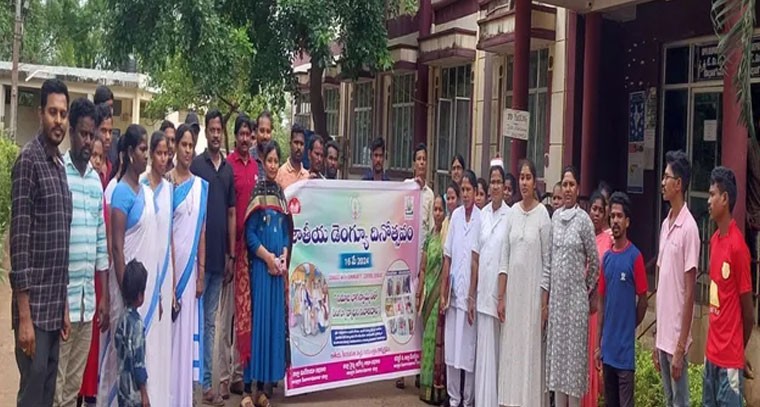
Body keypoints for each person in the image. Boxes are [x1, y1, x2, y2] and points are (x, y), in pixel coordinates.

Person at [10, 78, 72, 407]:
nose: (58, 120)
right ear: (40, 114)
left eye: (63, 113)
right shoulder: (28, 162)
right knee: (32, 398)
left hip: (53, 309)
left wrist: (63, 307)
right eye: (52, 112)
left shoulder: (59, 165)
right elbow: (19, 243)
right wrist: (24, 318)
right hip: (33, 314)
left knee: (46, 399)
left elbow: (60, 241)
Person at [54, 98, 108, 407]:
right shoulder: (59, 174)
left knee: (73, 387)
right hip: (63, 304)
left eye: (92, 135)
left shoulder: (95, 182)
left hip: (88, 304)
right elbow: (55, 244)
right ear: (71, 131)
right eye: (83, 134)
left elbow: (101, 242)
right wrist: (61, 300)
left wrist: (103, 298)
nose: (88, 141)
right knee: (56, 387)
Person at [98, 124, 157, 407]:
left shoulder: (143, 190)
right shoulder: (121, 192)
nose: (146, 155)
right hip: (126, 287)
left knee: (137, 354)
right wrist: (126, 291)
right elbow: (117, 246)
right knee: (118, 357)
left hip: (138, 287)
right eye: (143, 149)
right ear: (130, 153)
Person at [241, 141, 293, 407]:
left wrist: (283, 255)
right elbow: (249, 235)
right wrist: (268, 258)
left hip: (276, 273)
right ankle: (247, 390)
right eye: (269, 161)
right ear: (263, 162)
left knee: (272, 326)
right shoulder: (257, 194)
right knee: (257, 327)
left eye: (276, 161)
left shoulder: (281, 196)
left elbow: (285, 232)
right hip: (261, 272)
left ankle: (262, 389)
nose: (272, 165)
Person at [190, 108, 236, 405]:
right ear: (206, 132)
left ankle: (207, 385)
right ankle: (188, 384)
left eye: (220, 130)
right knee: (191, 322)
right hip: (197, 261)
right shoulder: (196, 166)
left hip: (220, 260)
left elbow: (231, 213)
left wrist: (232, 254)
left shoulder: (228, 170)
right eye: (212, 129)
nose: (216, 134)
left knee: (210, 323)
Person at [497, 159, 552, 407]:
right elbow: (504, 258)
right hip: (513, 296)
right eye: (521, 177)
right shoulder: (512, 214)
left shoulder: (543, 216)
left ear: (535, 181)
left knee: (529, 351)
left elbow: (547, 263)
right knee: (512, 349)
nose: (524, 182)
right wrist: (501, 297)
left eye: (528, 177)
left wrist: (543, 304)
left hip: (532, 297)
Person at [546, 165, 600, 407]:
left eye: (571, 185)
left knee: (574, 370)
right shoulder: (555, 219)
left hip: (576, 307)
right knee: (558, 370)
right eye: (564, 184)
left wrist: (583, 289)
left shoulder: (584, 221)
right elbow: (549, 259)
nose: (567, 189)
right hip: (557, 306)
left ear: (578, 189)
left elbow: (595, 262)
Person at [702, 167, 754, 407]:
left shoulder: (738, 247)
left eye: (712, 194)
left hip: (730, 362)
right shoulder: (714, 241)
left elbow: (748, 314)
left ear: (725, 198)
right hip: (710, 355)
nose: (708, 200)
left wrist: (737, 351)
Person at [654, 150, 699, 407]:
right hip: (663, 337)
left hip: (676, 340)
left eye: (667, 177)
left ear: (678, 184)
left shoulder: (689, 228)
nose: (663, 183)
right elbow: (663, 283)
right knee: (669, 400)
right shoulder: (665, 224)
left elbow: (690, 292)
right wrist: (657, 336)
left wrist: (681, 345)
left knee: (680, 402)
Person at [595, 192, 648, 407]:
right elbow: (601, 302)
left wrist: (630, 323)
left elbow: (643, 301)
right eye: (613, 216)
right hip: (607, 351)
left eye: (619, 216)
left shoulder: (635, 257)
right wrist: (599, 344)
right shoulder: (606, 258)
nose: (615, 220)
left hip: (624, 355)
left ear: (627, 221)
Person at [169, 124, 208, 407]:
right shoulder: (164, 184)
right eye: (183, 144)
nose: (187, 150)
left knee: (185, 337)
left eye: (190, 145)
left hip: (190, 272)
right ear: (175, 147)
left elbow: (201, 232)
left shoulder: (199, 187)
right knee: (168, 338)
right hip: (168, 274)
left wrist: (201, 274)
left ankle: (183, 399)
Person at [222, 115, 257, 399]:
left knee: (245, 317)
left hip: (252, 253)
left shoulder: (257, 167)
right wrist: (229, 253)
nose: (245, 139)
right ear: (235, 137)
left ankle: (238, 374)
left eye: (248, 134)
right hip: (232, 251)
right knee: (228, 317)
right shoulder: (228, 166)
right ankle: (223, 377)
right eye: (241, 134)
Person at [469, 165, 510, 407]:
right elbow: (475, 258)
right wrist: (471, 295)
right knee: (483, 356)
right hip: (482, 294)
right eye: (492, 182)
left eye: (498, 182)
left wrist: (503, 295)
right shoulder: (481, 215)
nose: (495, 186)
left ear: (504, 187)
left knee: (497, 355)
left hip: (500, 296)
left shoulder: (510, 215)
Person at [440, 170, 481, 407]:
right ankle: (454, 399)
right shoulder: (455, 217)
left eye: (468, 190)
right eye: (462, 190)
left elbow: (476, 260)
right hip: (453, 295)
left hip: (469, 298)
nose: (465, 194)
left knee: (468, 352)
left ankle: (467, 400)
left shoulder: (480, 218)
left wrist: (472, 296)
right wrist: (443, 292)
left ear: (475, 192)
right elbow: (447, 257)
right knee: (452, 352)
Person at [139, 130, 174, 406]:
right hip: (144, 270)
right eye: (159, 153)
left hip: (164, 273)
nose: (163, 158)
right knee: (144, 335)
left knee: (161, 340)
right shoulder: (140, 186)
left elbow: (170, 235)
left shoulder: (169, 189)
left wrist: (171, 284)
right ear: (151, 154)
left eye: (166, 153)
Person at [79, 135, 108, 407]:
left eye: (101, 157)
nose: (97, 161)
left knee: (92, 344)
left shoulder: (101, 188)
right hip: (79, 276)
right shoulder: (80, 184)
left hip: (98, 278)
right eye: (94, 156)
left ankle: (90, 394)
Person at [583, 189, 612, 407]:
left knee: (592, 359)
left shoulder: (608, 240)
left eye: (600, 210)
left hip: (597, 308)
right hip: (579, 305)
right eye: (593, 209)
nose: (596, 213)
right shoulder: (583, 236)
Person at [417, 195, 447, 405]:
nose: (437, 213)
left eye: (440, 210)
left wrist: (442, 293)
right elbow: (423, 267)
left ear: (445, 213)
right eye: (434, 209)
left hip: (439, 295)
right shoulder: (429, 238)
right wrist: (419, 292)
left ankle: (438, 389)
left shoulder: (446, 237)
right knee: (426, 339)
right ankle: (425, 387)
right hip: (428, 295)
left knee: (436, 342)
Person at [114, 260, 150, 407]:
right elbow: (138, 362)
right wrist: (144, 392)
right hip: (134, 392)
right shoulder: (137, 324)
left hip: (122, 388)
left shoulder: (122, 319)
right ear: (140, 295)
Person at [276, 124, 310, 189]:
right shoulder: (280, 174)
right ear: (290, 144)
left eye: (301, 144)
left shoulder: (307, 177)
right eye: (296, 143)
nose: (299, 147)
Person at [94, 103, 114, 187]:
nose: (108, 137)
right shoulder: (89, 166)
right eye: (103, 131)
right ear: (95, 130)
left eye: (110, 131)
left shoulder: (112, 168)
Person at [253, 111, 274, 180]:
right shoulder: (248, 158)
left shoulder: (275, 160)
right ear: (256, 132)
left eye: (268, 131)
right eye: (262, 131)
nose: (265, 136)